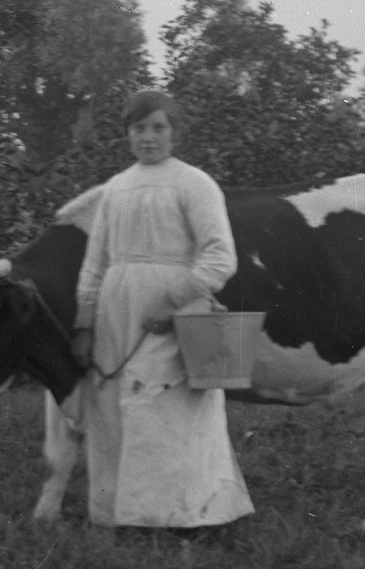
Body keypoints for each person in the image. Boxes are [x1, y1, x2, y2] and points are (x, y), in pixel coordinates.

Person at [69, 91, 254, 528]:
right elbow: (95, 262)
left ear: (174, 133)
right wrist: (84, 323)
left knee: (165, 409)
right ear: (127, 135)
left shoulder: (195, 184)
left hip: (177, 316)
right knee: (114, 407)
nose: (148, 138)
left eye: (158, 128)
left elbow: (220, 256)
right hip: (116, 314)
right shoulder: (115, 188)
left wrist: (173, 302)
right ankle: (120, 513)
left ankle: (183, 515)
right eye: (138, 129)